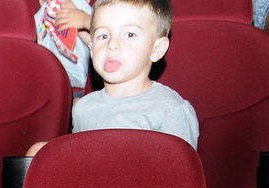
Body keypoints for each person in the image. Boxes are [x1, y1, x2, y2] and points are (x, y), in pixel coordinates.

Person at [72, 0, 197, 147]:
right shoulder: (83, 108)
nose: (112, 45)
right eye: (103, 36)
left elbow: (180, 162)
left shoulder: (171, 111)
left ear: (157, 49)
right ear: (92, 49)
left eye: (129, 34)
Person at [35, 0, 92, 91]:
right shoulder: (47, 8)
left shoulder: (81, 7)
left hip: (77, 78)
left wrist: (84, 21)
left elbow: (99, 42)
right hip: (47, 72)